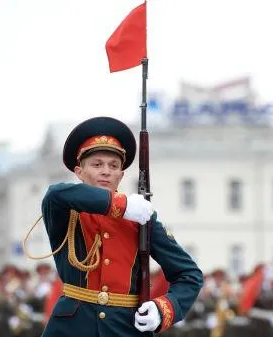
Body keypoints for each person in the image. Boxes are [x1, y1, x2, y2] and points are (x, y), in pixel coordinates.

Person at [39, 116, 203, 336]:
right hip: (72, 327)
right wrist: (121, 204)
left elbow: (189, 275)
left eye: (113, 166)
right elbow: (54, 193)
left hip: (124, 328)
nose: (106, 171)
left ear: (121, 175)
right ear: (79, 172)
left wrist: (163, 309)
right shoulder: (65, 209)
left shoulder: (140, 217)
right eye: (97, 164)